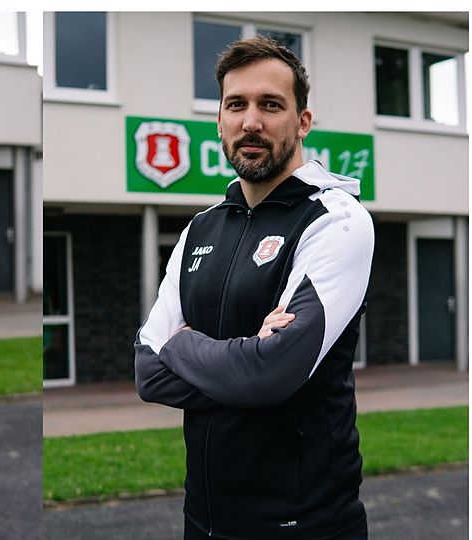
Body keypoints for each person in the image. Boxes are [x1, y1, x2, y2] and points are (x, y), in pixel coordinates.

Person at [134, 36, 373, 539]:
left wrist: (181, 343)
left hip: (305, 523)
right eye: (236, 104)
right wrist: (248, 363)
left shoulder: (336, 220)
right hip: (203, 519)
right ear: (219, 120)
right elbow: (148, 372)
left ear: (303, 121)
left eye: (271, 104)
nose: (251, 122)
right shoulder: (201, 228)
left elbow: (271, 374)